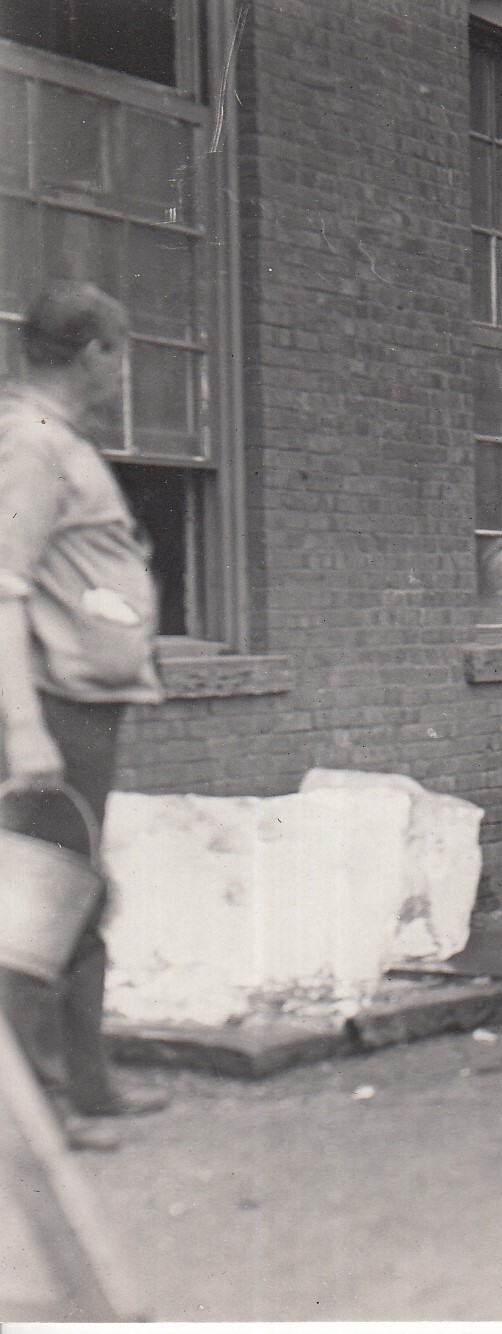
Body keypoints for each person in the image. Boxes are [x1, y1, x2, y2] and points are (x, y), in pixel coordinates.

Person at [0, 281, 170, 1152]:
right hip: (53, 713)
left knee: (79, 892)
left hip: (85, 709)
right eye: (123, 350)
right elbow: (3, 589)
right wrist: (23, 727)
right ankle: (34, 1118)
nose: (124, 369)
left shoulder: (60, 443)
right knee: (38, 903)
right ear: (94, 353)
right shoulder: (31, 443)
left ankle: (89, 1086)